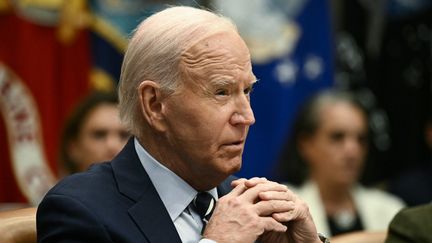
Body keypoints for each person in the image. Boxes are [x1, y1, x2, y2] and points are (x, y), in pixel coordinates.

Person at [37, 6, 326, 243]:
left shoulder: (247, 202)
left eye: (247, 91)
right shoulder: (80, 211)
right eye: (221, 92)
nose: (247, 117)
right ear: (155, 105)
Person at [276, 89, 405, 237]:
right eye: (337, 137)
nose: (352, 151)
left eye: (361, 139)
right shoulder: (284, 211)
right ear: (306, 144)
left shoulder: (391, 210)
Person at [58, 91, 130, 177]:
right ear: (73, 147)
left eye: (124, 135)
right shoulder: (57, 190)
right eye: (99, 135)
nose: (112, 145)